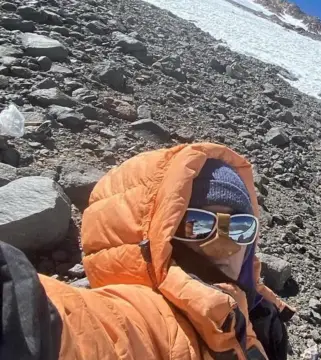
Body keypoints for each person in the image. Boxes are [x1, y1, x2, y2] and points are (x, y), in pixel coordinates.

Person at [0, 143, 295, 360]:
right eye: (199, 224)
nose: (223, 246)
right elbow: (86, 329)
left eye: (240, 227)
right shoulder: (152, 320)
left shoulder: (253, 308)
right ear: (163, 236)